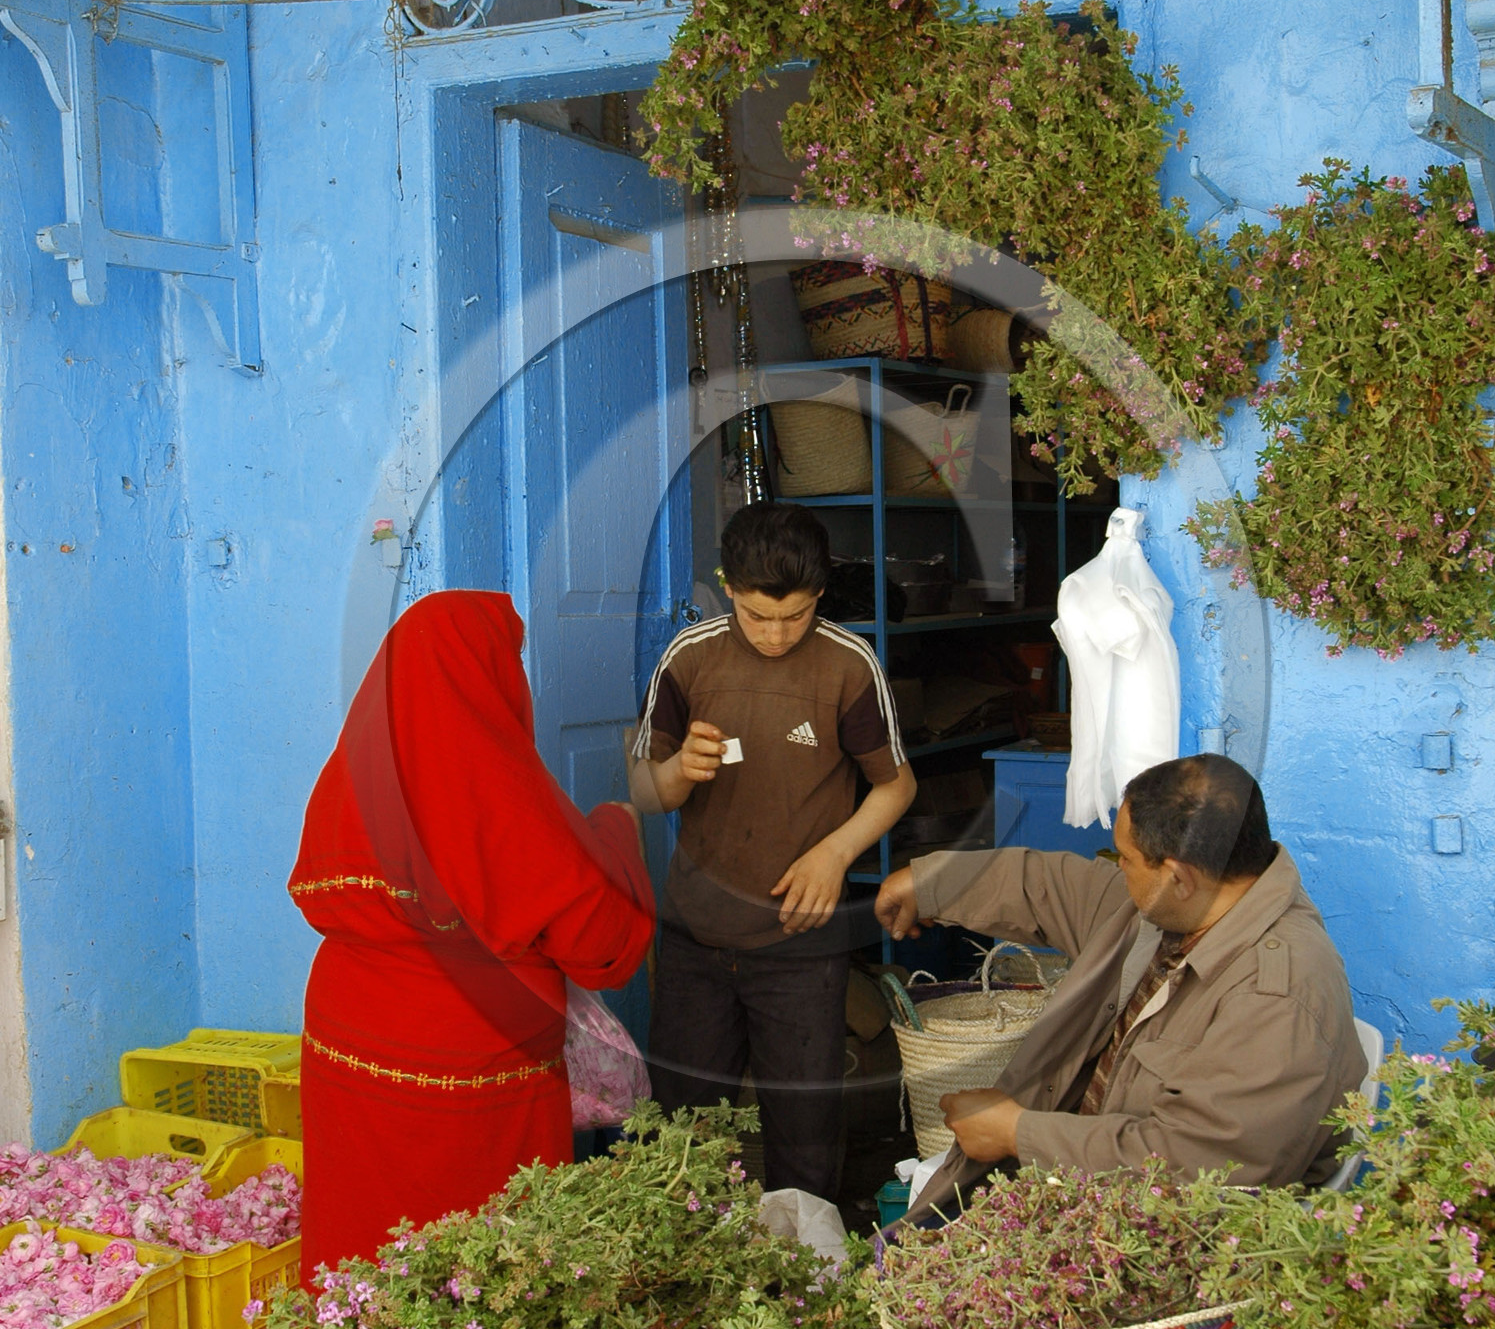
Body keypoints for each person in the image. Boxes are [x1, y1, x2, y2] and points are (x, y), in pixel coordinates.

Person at [289, 589, 654, 1282]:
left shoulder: (349, 779)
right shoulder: (499, 793)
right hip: (468, 1065)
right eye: (509, 659)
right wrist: (616, 830)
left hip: (346, 1041)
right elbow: (602, 941)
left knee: (363, 1252)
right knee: (482, 1274)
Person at [874, 753, 1365, 1213]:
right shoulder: (1186, 909)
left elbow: (1201, 1170)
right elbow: (1054, 887)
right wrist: (932, 883)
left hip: (1161, 1240)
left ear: (1178, 876)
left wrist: (1017, 1133)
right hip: (1081, 1188)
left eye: (1126, 859)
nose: (1118, 869)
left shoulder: (1275, 998)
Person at [633, 504, 917, 1199]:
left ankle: (806, 1277)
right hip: (698, 936)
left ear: (820, 594)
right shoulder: (690, 657)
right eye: (758, 616)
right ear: (728, 587)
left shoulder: (848, 664)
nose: (776, 634)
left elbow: (896, 784)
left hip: (799, 942)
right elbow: (644, 789)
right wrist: (676, 774)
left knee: (806, 1128)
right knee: (683, 1128)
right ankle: (694, 1270)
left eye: (796, 616)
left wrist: (834, 854)